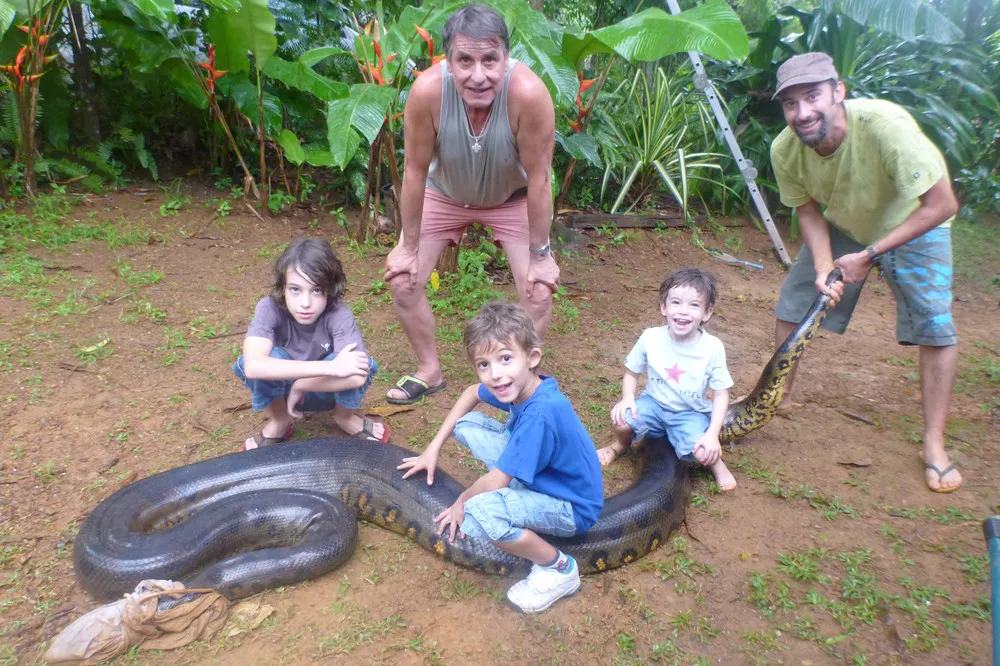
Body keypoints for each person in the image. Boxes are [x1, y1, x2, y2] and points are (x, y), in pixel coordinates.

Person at [769, 52, 962, 492]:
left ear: (839, 92)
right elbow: (808, 210)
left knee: (934, 323)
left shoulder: (884, 125)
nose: (802, 113)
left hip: (914, 219)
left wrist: (870, 254)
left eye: (813, 96)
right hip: (846, 221)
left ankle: (934, 443)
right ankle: (777, 396)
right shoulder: (786, 148)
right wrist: (823, 265)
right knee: (793, 303)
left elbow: (943, 203)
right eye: (791, 103)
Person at [383, 3, 559, 405]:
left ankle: (519, 380)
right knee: (403, 280)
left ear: (506, 58)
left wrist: (542, 254)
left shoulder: (529, 95)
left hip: (510, 198)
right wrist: (407, 248)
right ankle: (429, 371)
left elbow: (539, 179)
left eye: (489, 60)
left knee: (538, 291)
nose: (478, 76)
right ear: (448, 62)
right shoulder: (428, 92)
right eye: (465, 60)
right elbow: (414, 170)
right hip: (443, 194)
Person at [397, 301, 603, 613]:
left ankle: (557, 568)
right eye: (484, 364)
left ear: (533, 357)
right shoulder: (523, 385)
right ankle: (522, 488)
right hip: (551, 477)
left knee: (481, 514)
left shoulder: (541, 413)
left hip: (572, 506)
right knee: (465, 424)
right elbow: (469, 393)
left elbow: (495, 481)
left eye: (505, 359)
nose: (495, 375)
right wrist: (432, 449)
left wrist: (459, 504)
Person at [232, 238, 389, 450]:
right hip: (282, 389)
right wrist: (331, 367)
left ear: (330, 290)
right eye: (295, 289)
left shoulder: (338, 313)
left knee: (358, 362)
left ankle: (344, 417)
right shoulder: (269, 308)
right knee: (257, 360)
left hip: (325, 390)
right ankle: (280, 420)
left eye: (316, 290)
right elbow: (252, 366)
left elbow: (358, 374)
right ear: (283, 288)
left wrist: (303, 384)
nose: (305, 303)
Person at [597, 268, 737, 491]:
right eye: (676, 302)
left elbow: (721, 393)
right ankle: (620, 445)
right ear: (664, 307)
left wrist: (712, 435)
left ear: (707, 313)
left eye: (694, 305)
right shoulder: (651, 337)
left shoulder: (712, 348)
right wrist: (627, 399)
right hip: (654, 404)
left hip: (689, 413)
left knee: (703, 452)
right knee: (621, 418)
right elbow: (632, 372)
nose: (683, 311)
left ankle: (717, 464)